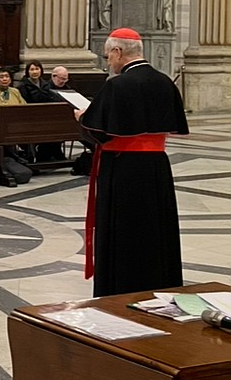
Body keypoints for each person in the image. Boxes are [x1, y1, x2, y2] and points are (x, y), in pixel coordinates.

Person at [80, 28, 188, 297]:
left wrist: (82, 116)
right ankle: (159, 283)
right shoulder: (165, 82)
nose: (109, 62)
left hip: (123, 167)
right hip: (156, 168)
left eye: (108, 57)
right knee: (155, 229)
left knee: (125, 233)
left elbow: (98, 132)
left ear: (118, 52)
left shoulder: (117, 85)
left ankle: (120, 287)